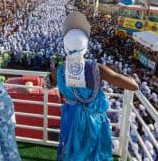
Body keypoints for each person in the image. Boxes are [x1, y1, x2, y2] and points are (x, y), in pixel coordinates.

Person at [46, 12, 139, 161]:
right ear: (85, 46)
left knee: (71, 151)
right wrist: (134, 81)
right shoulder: (98, 69)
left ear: (65, 46)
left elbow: (47, 84)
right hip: (94, 119)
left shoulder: (59, 70)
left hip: (70, 118)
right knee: (94, 152)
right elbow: (128, 84)